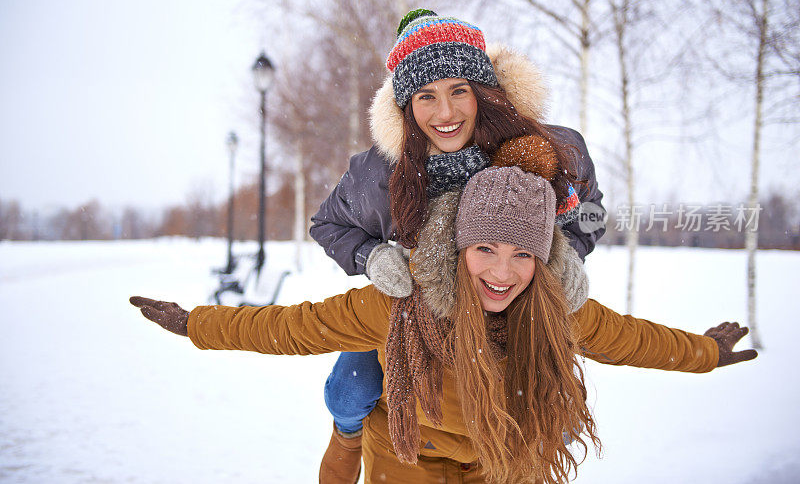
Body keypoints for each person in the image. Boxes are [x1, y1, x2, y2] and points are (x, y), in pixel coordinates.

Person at [130, 166, 757, 484]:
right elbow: (298, 327)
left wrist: (705, 352)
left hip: (505, 455)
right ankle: (345, 437)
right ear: (457, 250)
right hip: (410, 448)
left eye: (521, 255)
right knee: (352, 402)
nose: (503, 272)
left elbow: (632, 339)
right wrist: (197, 324)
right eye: (485, 250)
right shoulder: (407, 300)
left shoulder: (555, 313)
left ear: (543, 259)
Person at [308, 9, 603, 482]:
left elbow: (590, 211)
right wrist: (373, 257)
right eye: (426, 96)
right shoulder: (379, 176)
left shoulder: (551, 150)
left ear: (484, 92)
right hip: (413, 310)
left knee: (557, 402)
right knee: (351, 388)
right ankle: (346, 436)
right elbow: (327, 224)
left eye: (458, 91)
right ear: (406, 108)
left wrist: (566, 253)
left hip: (508, 304)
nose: (445, 114)